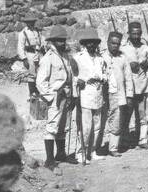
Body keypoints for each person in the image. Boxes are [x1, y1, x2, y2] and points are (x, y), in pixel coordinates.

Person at [35, 26, 75, 169]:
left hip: (66, 96)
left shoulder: (64, 57)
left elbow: (69, 77)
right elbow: (40, 82)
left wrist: (72, 95)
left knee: (63, 126)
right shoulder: (48, 59)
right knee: (52, 127)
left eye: (63, 40)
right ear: (52, 41)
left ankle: (61, 154)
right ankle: (50, 159)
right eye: (59, 41)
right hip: (55, 98)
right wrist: (52, 96)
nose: (62, 43)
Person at [72, 28, 106, 164]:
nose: (91, 45)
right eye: (89, 43)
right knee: (85, 127)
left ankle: (92, 151)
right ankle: (81, 152)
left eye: (94, 43)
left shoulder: (100, 59)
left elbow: (105, 74)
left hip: (98, 94)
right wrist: (80, 80)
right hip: (85, 95)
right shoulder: (78, 58)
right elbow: (73, 76)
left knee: (97, 126)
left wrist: (102, 78)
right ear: (85, 44)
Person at [121, 20, 148, 149]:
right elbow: (119, 65)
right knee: (126, 115)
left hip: (143, 86)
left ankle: (145, 139)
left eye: (138, 34)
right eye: (133, 33)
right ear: (128, 33)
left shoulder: (145, 48)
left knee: (144, 114)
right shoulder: (123, 48)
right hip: (128, 87)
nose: (136, 36)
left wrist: (147, 65)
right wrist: (129, 66)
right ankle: (124, 141)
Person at [102, 29, 135, 155]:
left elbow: (128, 78)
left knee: (116, 120)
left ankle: (113, 148)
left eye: (117, 43)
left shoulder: (123, 58)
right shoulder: (101, 57)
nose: (115, 46)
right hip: (103, 94)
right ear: (107, 43)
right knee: (100, 121)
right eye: (112, 43)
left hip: (118, 94)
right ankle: (95, 148)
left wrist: (129, 95)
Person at [18, 13, 46, 101]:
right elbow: (20, 46)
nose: (31, 24)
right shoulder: (23, 33)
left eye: (32, 22)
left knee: (41, 73)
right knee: (32, 74)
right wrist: (24, 58)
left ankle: (39, 91)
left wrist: (44, 47)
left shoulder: (37, 31)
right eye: (29, 22)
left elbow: (42, 40)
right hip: (29, 54)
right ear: (26, 23)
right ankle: (32, 93)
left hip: (39, 54)